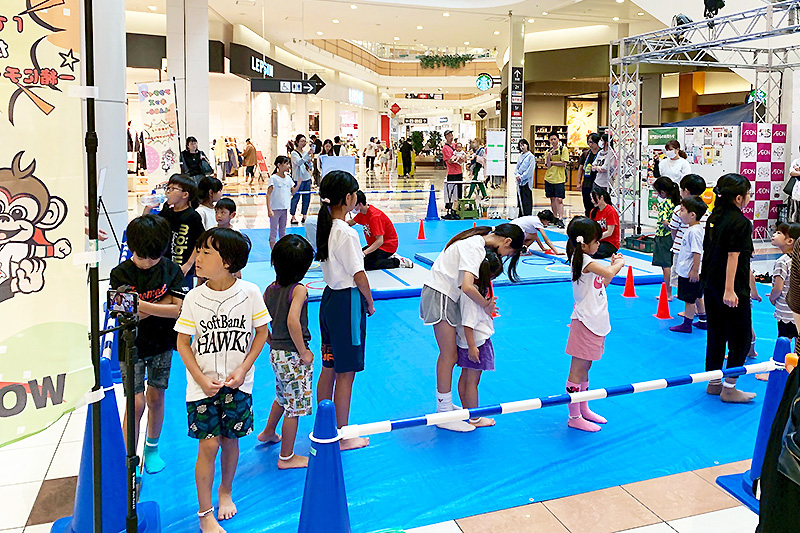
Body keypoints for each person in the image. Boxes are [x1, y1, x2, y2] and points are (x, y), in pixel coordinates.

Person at [174, 228, 270, 531]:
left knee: (231, 441)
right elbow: (182, 343)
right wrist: (200, 379)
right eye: (198, 251)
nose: (198, 257)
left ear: (227, 261)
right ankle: (205, 514)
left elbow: (262, 332)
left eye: (206, 252)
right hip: (202, 388)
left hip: (238, 385)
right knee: (209, 445)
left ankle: (226, 491)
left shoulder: (250, 293)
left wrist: (243, 369)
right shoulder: (193, 298)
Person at [420, 223, 524, 432]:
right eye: (508, 253)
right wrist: (485, 305)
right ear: (507, 242)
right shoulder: (475, 245)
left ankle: (447, 407)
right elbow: (467, 286)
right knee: (448, 355)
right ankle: (443, 412)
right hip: (441, 295)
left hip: (444, 294)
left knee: (451, 356)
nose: (503, 257)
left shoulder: (477, 241)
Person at [110, 215, 185, 475]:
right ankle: (128, 455)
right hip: (131, 345)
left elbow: (178, 310)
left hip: (162, 343)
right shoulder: (120, 273)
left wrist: (141, 305)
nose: (147, 264)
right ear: (132, 248)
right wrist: (161, 304)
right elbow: (125, 315)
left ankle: (152, 448)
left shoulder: (171, 269)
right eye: (142, 257)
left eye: (153, 258)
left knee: (156, 397)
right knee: (136, 403)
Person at [315, 171, 374, 451]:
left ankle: (324, 426)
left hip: (328, 300)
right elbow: (359, 274)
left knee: (329, 366)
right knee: (346, 372)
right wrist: (370, 301)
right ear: (348, 198)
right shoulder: (347, 232)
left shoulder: (324, 226)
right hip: (347, 301)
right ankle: (341, 433)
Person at [700, 173, 760, 403]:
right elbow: (733, 256)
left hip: (712, 283)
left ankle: (714, 382)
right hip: (730, 287)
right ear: (738, 198)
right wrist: (730, 290)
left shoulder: (714, 217)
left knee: (716, 334)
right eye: (748, 195)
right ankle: (729, 387)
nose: (748, 198)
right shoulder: (740, 222)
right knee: (741, 337)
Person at [257, 235, 315, 469]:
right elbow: (293, 322)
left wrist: (271, 339)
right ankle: (287, 456)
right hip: (292, 355)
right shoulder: (298, 290)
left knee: (282, 396)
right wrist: (303, 352)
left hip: (277, 353)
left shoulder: (270, 289)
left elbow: (259, 318)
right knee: (295, 406)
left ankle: (269, 431)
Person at [564, 217, 625, 432]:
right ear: (583, 243)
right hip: (585, 322)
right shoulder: (582, 260)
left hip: (596, 320)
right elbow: (610, 274)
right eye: (596, 241)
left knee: (587, 367)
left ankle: (583, 406)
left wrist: (610, 266)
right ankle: (574, 416)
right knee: (577, 369)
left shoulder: (588, 262)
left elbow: (603, 282)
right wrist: (617, 264)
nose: (599, 244)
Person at [456, 250, 504, 428]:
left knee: (466, 377)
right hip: (476, 341)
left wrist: (486, 308)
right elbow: (468, 322)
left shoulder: (470, 290)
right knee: (472, 381)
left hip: (468, 341)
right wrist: (472, 347)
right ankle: (474, 417)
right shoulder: (471, 294)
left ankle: (466, 411)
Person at [148, 174, 204, 292]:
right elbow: (146, 227)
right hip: (164, 267)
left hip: (183, 269)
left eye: (173, 189)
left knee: (182, 297)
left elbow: (200, 241)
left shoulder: (192, 216)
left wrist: (188, 264)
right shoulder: (166, 213)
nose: (168, 192)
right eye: (167, 188)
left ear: (185, 195)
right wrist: (148, 208)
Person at [668, 174, 708, 310]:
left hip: (683, 251)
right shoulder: (705, 210)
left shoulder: (680, 209)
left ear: (685, 191)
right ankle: (699, 312)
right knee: (694, 288)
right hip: (693, 252)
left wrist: (678, 243)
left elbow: (673, 229)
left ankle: (690, 314)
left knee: (687, 287)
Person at [669, 196, 708, 334]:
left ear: (692, 215)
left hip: (690, 272)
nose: (680, 214)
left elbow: (697, 252)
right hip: (690, 270)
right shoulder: (692, 229)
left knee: (689, 300)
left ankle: (687, 324)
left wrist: (694, 270)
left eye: (683, 211)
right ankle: (703, 321)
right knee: (698, 296)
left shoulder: (694, 231)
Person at [349, 190, 413, 270]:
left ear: (360, 204)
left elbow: (380, 241)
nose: (351, 208)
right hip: (375, 245)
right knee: (356, 258)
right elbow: (350, 223)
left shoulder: (375, 217)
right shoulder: (362, 213)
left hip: (387, 246)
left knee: (366, 264)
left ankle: (398, 261)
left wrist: (365, 253)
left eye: (353, 205)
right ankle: (386, 257)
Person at [652, 178, 681, 300]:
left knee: (666, 265)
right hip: (675, 236)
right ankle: (679, 291)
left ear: (662, 192)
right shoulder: (678, 202)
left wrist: (670, 227)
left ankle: (668, 293)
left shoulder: (664, 204)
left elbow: (664, 222)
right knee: (677, 264)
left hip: (664, 236)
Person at [267, 155, 295, 249]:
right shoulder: (273, 178)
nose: (288, 166)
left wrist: (299, 183)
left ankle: (282, 250)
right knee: (273, 231)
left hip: (284, 208)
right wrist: (269, 209)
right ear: (279, 165)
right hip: (275, 208)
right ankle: (273, 251)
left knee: (283, 231)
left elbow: (293, 191)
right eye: (286, 163)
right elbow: (268, 194)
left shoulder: (288, 178)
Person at [544, 132, 569, 228]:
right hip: (549, 178)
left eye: (555, 139)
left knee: (559, 199)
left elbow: (564, 163)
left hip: (559, 178)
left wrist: (552, 162)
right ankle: (554, 217)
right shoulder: (548, 151)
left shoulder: (563, 149)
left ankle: (561, 218)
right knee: (552, 199)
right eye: (551, 139)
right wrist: (548, 157)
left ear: (558, 139)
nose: (553, 141)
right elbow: (547, 165)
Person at [589, 189, 620, 259]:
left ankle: (609, 252)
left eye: (594, 198)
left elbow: (609, 232)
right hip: (598, 241)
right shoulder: (593, 211)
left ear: (601, 197)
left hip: (610, 243)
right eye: (591, 199)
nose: (592, 201)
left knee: (595, 252)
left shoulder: (611, 211)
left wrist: (595, 239)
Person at [290, 134, 313, 225]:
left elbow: (309, 166)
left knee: (306, 197)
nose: (303, 143)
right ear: (297, 142)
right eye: (302, 141)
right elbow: (299, 163)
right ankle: (293, 216)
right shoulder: (294, 153)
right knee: (296, 197)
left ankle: (304, 215)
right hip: (297, 178)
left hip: (306, 177)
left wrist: (309, 162)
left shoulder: (305, 153)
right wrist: (307, 155)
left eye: (305, 141)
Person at [578, 134, 601, 217]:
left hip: (598, 182)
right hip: (587, 181)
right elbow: (580, 168)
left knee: (596, 202)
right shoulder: (586, 154)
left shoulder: (601, 154)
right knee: (587, 202)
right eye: (588, 142)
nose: (590, 144)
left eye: (592, 142)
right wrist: (578, 182)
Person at [441, 130, 464, 214]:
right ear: (446, 137)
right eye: (449, 135)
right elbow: (448, 161)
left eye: (452, 135)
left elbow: (463, 154)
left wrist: (462, 158)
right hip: (451, 172)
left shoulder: (455, 145)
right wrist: (454, 159)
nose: (451, 137)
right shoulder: (445, 148)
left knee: (459, 190)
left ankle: (458, 207)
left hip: (459, 171)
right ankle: (449, 207)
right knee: (451, 191)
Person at [514, 139, 535, 217]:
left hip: (526, 181)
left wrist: (522, 177)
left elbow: (530, 170)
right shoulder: (520, 156)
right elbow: (517, 168)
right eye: (520, 145)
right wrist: (517, 176)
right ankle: (521, 215)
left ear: (527, 145)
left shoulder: (531, 156)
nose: (522, 147)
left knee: (527, 199)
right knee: (520, 199)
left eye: (523, 145)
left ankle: (527, 215)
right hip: (519, 182)